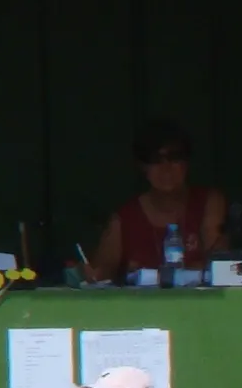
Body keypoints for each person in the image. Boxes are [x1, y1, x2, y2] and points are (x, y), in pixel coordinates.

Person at [85, 118, 228, 283]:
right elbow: (102, 272)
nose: (165, 167)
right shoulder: (124, 218)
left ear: (187, 163)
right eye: (154, 159)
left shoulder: (208, 201)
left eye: (174, 157)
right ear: (142, 167)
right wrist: (93, 274)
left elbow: (218, 263)